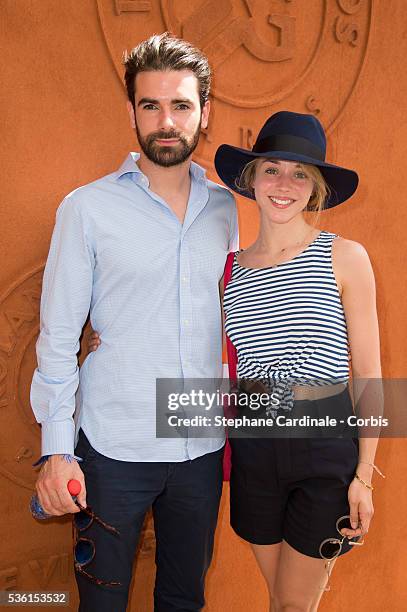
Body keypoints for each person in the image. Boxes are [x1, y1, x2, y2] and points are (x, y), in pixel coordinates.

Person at [30, 33, 238, 612]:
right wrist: (56, 450)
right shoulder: (86, 209)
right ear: (131, 112)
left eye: (181, 106)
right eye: (151, 105)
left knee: (183, 601)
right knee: (101, 605)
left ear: (204, 113)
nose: (166, 122)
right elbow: (57, 339)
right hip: (112, 451)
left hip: (200, 451)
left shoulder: (225, 209)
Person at [213, 111, 383, 611]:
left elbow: (370, 376)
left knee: (292, 604)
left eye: (300, 173)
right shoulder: (232, 272)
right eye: (272, 169)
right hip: (255, 451)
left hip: (324, 449)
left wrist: (364, 476)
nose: (284, 184)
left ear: (316, 188)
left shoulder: (345, 256)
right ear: (252, 178)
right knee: (279, 601)